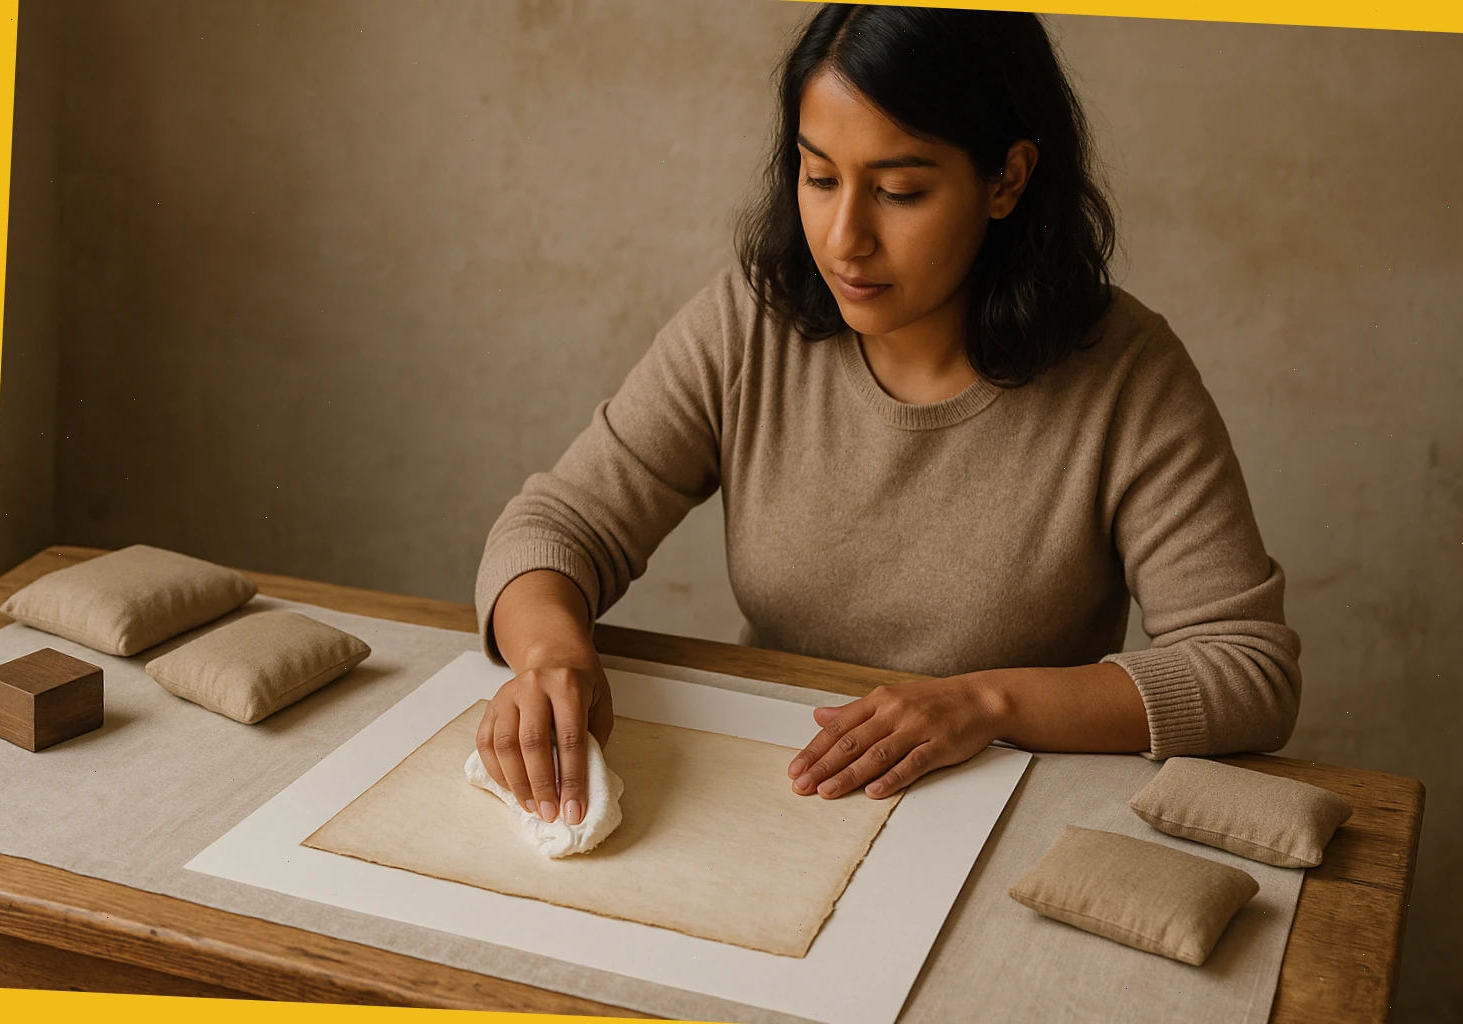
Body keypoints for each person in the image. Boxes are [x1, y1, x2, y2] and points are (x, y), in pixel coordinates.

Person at [470, 4, 1301, 829]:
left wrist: (985, 702)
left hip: (1001, 825)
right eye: (820, 177)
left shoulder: (1126, 374)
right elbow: (557, 524)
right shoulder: (751, 324)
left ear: (1007, 179)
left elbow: (1246, 670)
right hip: (782, 796)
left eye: (899, 191)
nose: (843, 239)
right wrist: (551, 657)